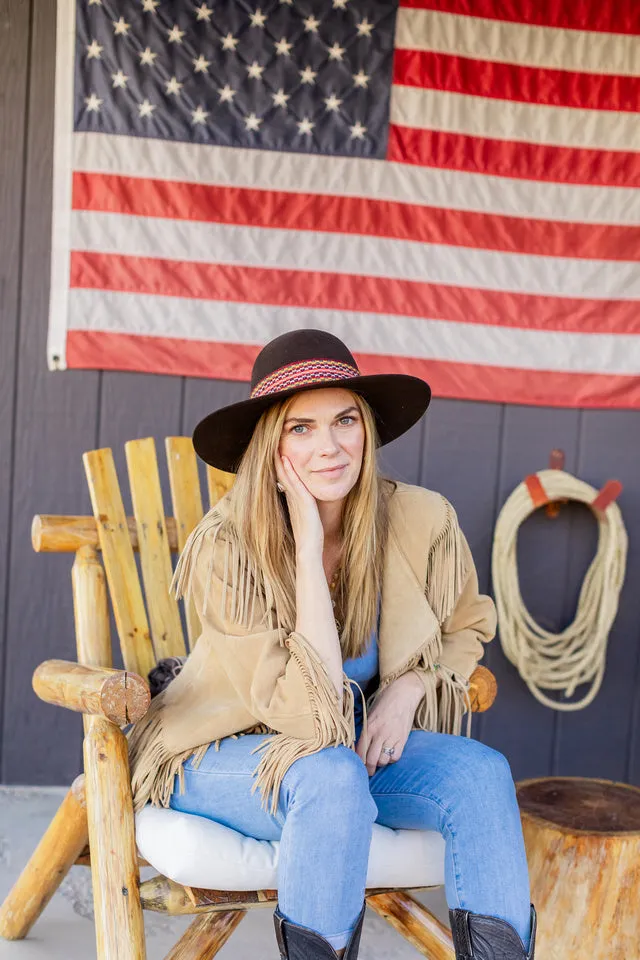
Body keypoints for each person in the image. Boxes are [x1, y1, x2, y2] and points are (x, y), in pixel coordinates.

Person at [127, 329, 536, 960]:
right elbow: (308, 719)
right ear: (271, 444)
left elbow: (466, 628)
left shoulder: (421, 520)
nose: (329, 447)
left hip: (347, 748)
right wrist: (310, 553)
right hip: (217, 753)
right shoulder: (229, 544)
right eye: (301, 428)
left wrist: (411, 686)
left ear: (367, 429)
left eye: (344, 420)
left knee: (482, 775)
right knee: (332, 774)